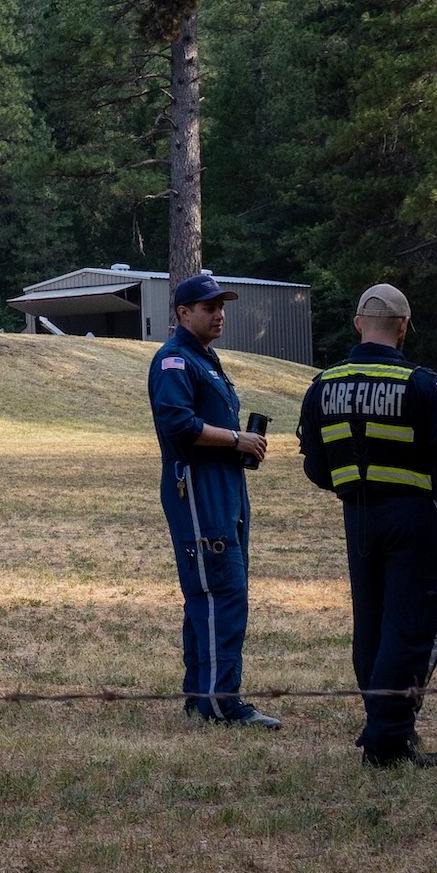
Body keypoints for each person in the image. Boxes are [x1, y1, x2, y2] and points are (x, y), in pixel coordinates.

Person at [299, 282, 437, 769]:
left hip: (358, 516)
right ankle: (387, 736)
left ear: (357, 324)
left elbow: (314, 465)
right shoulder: (421, 383)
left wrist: (353, 487)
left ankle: (385, 728)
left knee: (370, 624)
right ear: (404, 327)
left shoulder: (322, 385)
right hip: (415, 516)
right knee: (413, 624)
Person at [150, 269, 276, 729]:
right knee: (220, 592)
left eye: (222, 306)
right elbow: (178, 424)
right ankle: (222, 704)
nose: (219, 314)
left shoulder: (206, 358)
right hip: (199, 491)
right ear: (183, 313)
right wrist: (236, 440)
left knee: (215, 593)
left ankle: (202, 698)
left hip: (225, 491)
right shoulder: (175, 362)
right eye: (209, 307)